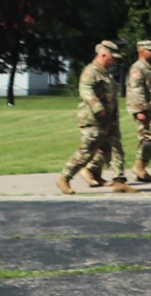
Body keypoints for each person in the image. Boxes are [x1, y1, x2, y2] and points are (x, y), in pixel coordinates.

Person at [55, 40, 137, 195]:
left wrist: (112, 116)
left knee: (115, 150)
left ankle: (119, 182)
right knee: (87, 151)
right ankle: (64, 178)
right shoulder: (90, 72)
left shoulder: (106, 73)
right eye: (112, 57)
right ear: (103, 54)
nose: (114, 61)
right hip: (94, 119)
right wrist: (99, 110)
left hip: (110, 119)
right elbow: (87, 92)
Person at [126, 39, 151, 182]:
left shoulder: (148, 67)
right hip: (143, 108)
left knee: (148, 137)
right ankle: (139, 166)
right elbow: (136, 90)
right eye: (149, 50)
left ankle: (140, 169)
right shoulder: (138, 68)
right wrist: (140, 111)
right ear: (141, 51)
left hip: (149, 108)